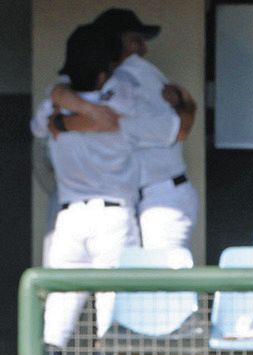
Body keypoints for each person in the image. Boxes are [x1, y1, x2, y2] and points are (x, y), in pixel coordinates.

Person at [31, 24, 183, 355]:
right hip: (113, 215)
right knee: (109, 311)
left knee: (59, 313)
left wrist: (66, 108)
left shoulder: (54, 102)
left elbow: (39, 127)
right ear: (105, 70)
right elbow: (171, 130)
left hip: (68, 217)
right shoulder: (125, 95)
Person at [48, 9, 199, 251]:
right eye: (135, 41)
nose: (143, 49)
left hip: (160, 195)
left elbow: (177, 129)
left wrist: (61, 123)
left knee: (161, 283)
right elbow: (62, 95)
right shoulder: (102, 78)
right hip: (129, 199)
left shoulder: (133, 75)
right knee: (137, 283)